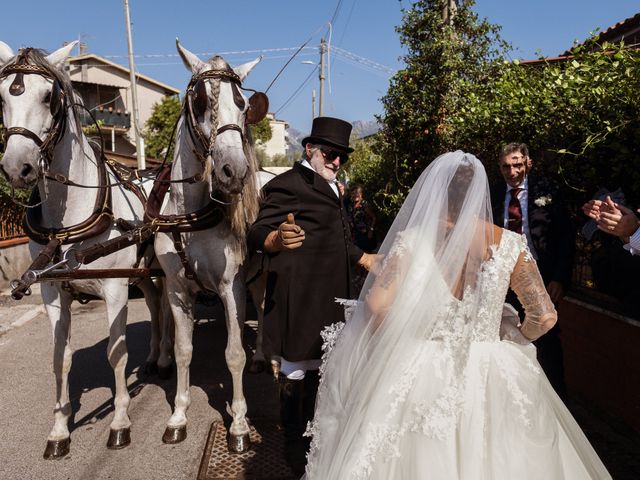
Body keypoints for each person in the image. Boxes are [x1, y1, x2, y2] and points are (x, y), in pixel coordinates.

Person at [304, 151, 611, 479]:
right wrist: (517, 336)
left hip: (420, 364)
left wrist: (400, 340)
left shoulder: (412, 241)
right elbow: (544, 317)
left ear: (435, 192)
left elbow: (377, 306)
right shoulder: (510, 244)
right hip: (492, 366)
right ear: (479, 194)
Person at [247, 116, 376, 475]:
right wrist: (274, 239)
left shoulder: (336, 186)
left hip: (334, 295)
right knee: (296, 371)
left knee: (325, 371)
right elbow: (258, 230)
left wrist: (364, 258)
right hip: (300, 298)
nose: (336, 161)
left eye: (342, 157)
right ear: (310, 150)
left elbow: (340, 239)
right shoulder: (287, 184)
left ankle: (316, 434)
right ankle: (292, 440)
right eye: (331, 154)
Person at [490, 143, 574, 399]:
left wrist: (559, 277)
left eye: (517, 164)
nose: (512, 171)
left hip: (541, 279)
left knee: (547, 340)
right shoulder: (492, 194)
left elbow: (566, 236)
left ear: (527, 163)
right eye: (506, 166)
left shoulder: (548, 190)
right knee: (506, 339)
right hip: (501, 281)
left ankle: (555, 401)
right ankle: (517, 398)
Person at [347, 184, 377, 253]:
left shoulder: (364, 204)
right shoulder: (351, 205)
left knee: (368, 255)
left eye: (357, 193)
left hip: (366, 234)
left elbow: (374, 218)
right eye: (353, 193)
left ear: (361, 194)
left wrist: (371, 231)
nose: (355, 195)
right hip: (356, 235)